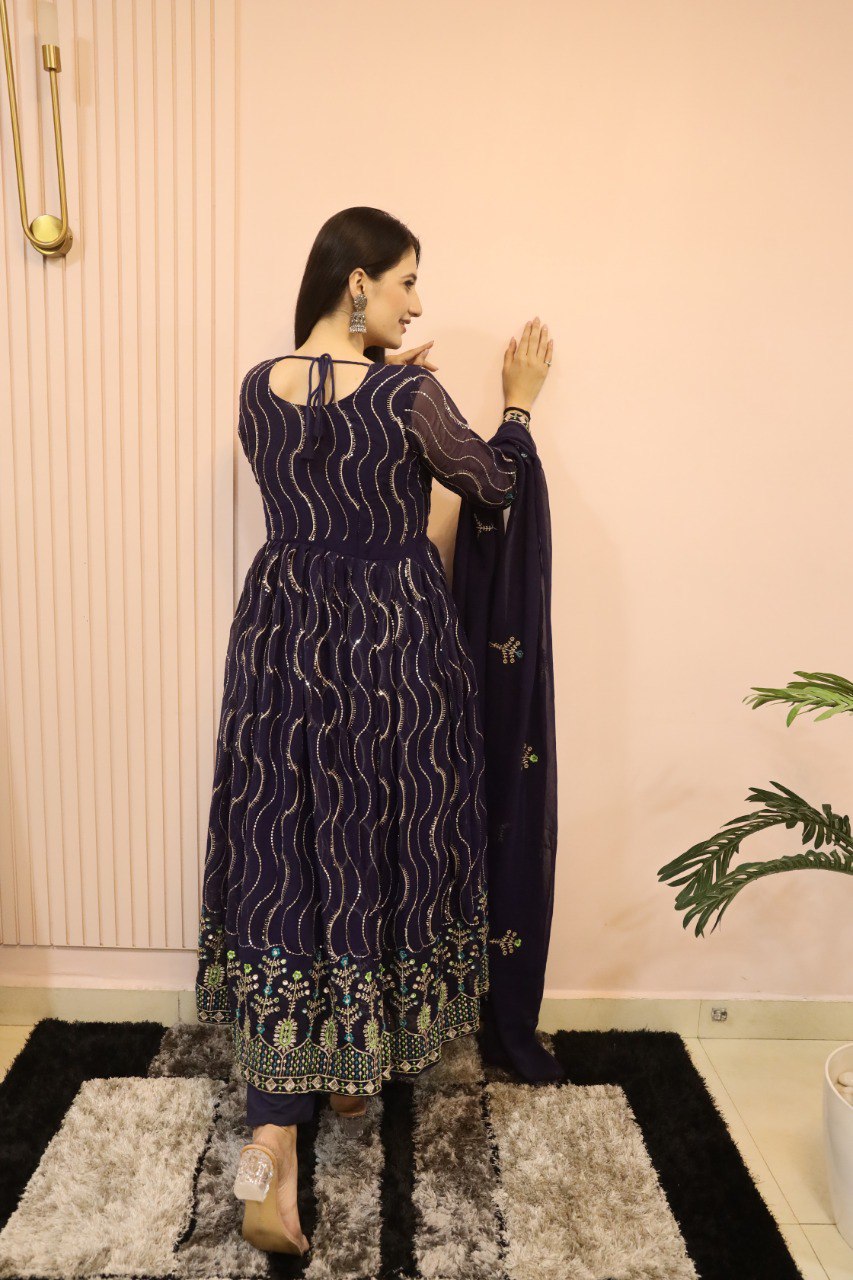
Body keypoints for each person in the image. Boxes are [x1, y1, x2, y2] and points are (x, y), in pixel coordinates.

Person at [194, 206, 552, 1254]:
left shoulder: (255, 386)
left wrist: (394, 377)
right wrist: (515, 405)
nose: (416, 302)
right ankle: (343, 1080)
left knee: (286, 850)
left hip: (278, 643)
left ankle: (277, 1127)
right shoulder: (408, 397)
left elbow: (326, 446)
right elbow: (491, 484)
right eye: (404, 282)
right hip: (389, 656)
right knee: (379, 850)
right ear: (357, 283)